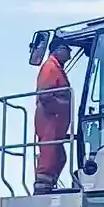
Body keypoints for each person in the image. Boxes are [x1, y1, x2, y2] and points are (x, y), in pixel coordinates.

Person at [33, 40, 73, 193]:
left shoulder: (56, 68)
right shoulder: (50, 67)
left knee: (59, 156)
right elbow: (45, 95)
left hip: (56, 121)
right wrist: (61, 107)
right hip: (50, 119)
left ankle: (48, 184)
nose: (69, 56)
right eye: (67, 52)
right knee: (49, 152)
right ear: (59, 50)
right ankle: (42, 187)